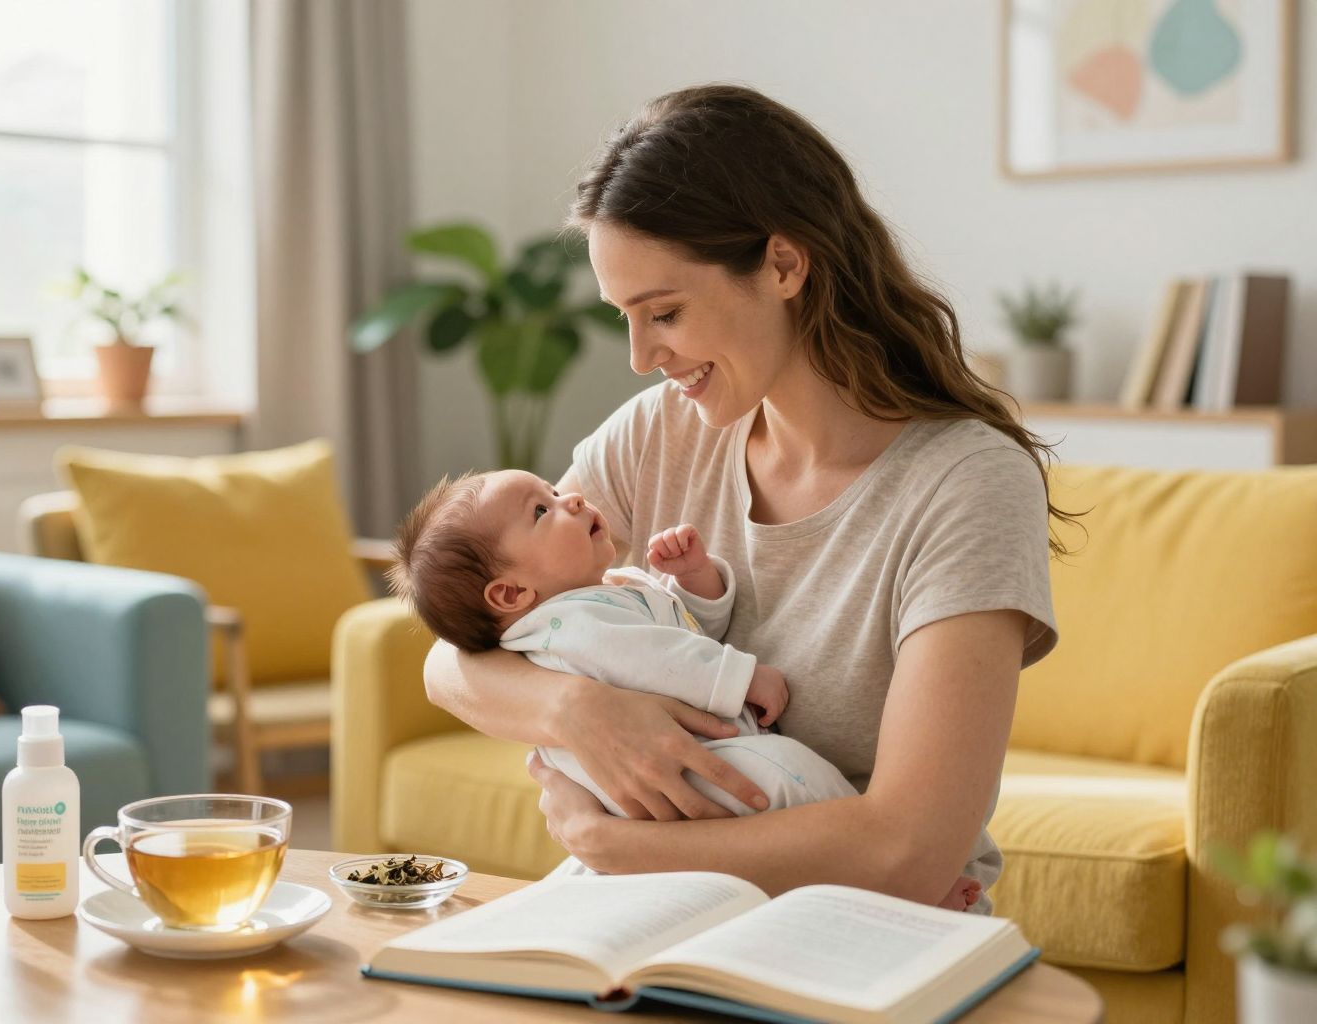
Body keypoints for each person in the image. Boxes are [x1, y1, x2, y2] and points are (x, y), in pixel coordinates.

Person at [422, 83, 1076, 915]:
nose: (640, 357)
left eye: (664, 312)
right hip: (676, 915)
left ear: (784, 265)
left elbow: (908, 854)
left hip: (871, 924)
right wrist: (579, 711)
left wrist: (616, 848)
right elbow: (453, 657)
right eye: (626, 318)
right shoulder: (660, 431)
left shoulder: (965, 485)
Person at [388, 467, 984, 910]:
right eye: (542, 510)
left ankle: (899, 885)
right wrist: (743, 677)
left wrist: (695, 582)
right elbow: (662, 660)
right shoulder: (570, 623)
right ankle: (903, 895)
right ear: (511, 594)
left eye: (551, 488)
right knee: (790, 774)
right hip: (686, 769)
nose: (570, 497)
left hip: (670, 784)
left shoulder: (606, 589)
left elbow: (679, 633)